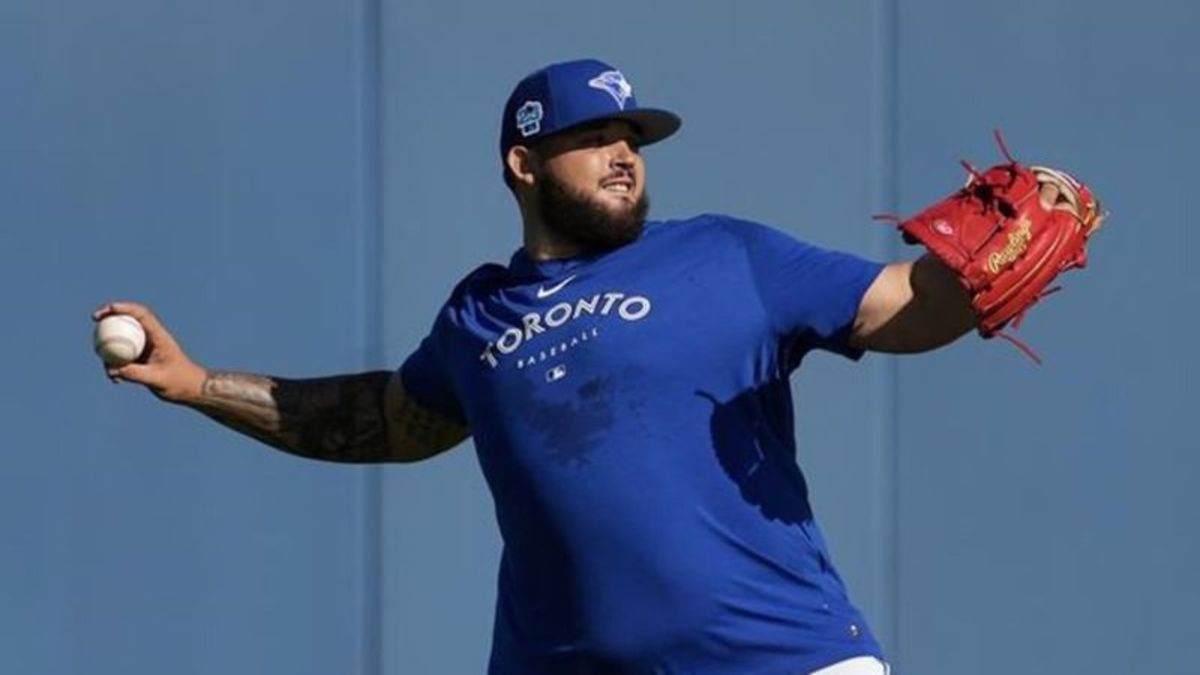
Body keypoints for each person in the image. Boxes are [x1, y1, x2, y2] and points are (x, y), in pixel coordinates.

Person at [95, 58, 983, 675]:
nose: (624, 152)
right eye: (593, 135)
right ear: (524, 163)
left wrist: (973, 276)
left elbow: (897, 305)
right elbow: (385, 419)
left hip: (782, 653)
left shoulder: (725, 255)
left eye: (631, 134)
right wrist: (196, 381)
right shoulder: (477, 315)